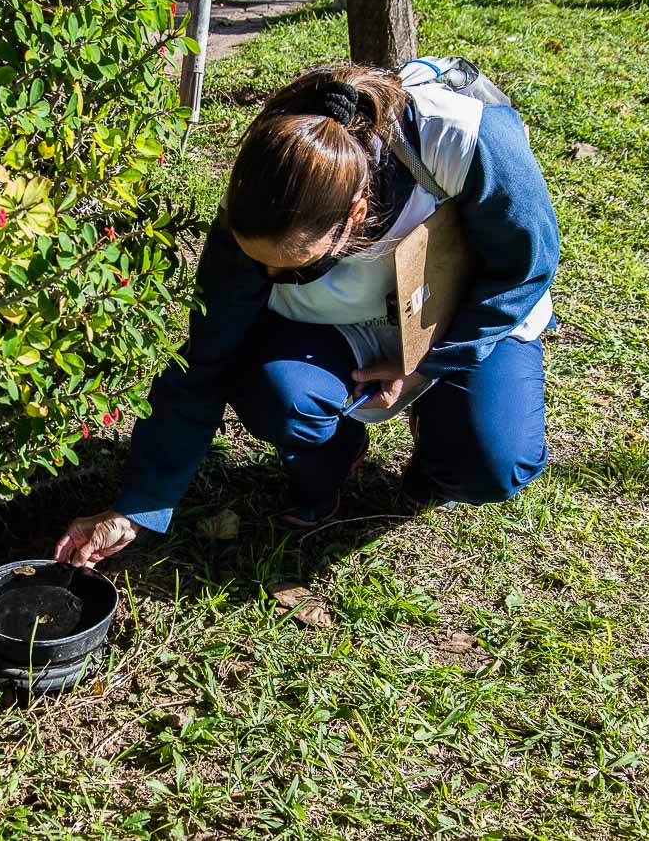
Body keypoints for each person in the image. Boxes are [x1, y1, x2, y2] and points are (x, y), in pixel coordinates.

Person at [53, 63, 559, 568]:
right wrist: (136, 508)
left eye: (293, 266)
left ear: (356, 216)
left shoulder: (462, 139)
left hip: (459, 311)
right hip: (340, 324)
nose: (266, 276)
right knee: (278, 394)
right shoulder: (257, 206)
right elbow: (204, 363)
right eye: (258, 263)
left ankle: (438, 456)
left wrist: (426, 364)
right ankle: (337, 455)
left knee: (491, 461)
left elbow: (525, 268)